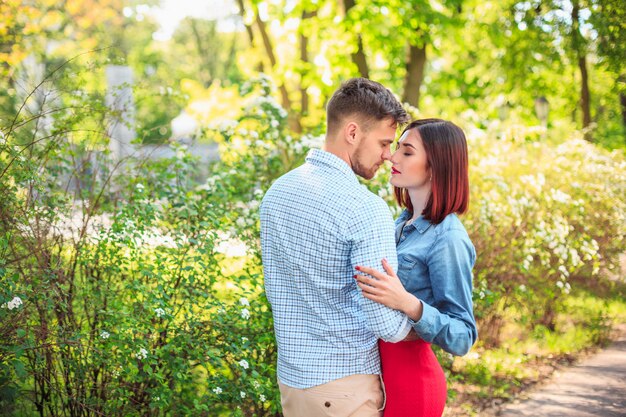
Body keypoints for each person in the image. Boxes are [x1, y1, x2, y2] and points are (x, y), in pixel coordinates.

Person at [260, 78, 412, 417]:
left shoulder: (278, 192)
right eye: (385, 143)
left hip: (293, 384)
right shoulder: (364, 208)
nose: (389, 156)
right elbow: (386, 324)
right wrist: (425, 318)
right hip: (345, 388)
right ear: (353, 133)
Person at [354, 119, 478, 417]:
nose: (392, 157)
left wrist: (408, 303)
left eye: (407, 152)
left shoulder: (448, 239)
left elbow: (463, 335)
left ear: (436, 165)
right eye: (396, 148)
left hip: (412, 383)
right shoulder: (399, 223)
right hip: (376, 376)